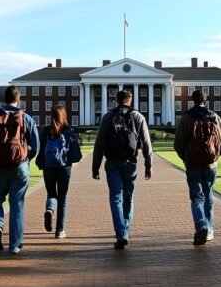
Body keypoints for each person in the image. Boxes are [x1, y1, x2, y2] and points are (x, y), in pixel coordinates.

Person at [0, 85, 39, 255]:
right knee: (17, 203)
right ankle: (15, 245)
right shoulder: (25, 118)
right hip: (20, 167)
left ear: (4, 99)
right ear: (19, 100)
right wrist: (26, 160)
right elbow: (36, 145)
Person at [92, 90, 153, 250]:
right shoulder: (138, 116)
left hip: (112, 163)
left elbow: (99, 144)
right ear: (129, 100)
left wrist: (95, 166)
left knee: (116, 198)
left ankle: (121, 234)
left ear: (116, 101)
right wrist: (148, 165)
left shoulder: (107, 117)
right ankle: (125, 229)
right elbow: (147, 143)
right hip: (130, 162)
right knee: (128, 196)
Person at [174, 89, 221, 245]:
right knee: (208, 195)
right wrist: (214, 158)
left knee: (197, 197)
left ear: (193, 100)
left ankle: (201, 225)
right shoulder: (215, 117)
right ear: (205, 100)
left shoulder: (186, 117)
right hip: (211, 165)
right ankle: (209, 230)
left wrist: (186, 159)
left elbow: (178, 144)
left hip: (193, 164)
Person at [35, 105, 82, 238]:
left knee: (51, 194)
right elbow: (77, 156)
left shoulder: (45, 131)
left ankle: (49, 209)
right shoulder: (69, 132)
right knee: (62, 198)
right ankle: (60, 230)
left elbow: (40, 151)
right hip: (64, 169)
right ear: (64, 116)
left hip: (48, 168)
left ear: (51, 116)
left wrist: (41, 163)